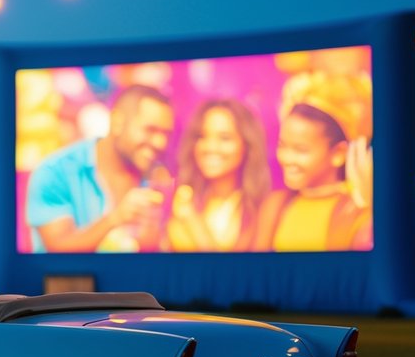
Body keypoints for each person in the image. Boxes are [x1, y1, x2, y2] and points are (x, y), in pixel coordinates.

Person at [25, 84, 174, 252]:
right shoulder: (55, 171)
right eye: (150, 130)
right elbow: (58, 249)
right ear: (117, 122)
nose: (160, 143)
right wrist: (115, 218)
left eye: (166, 134)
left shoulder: (157, 177)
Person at [253, 82, 373, 252]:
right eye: (282, 146)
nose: (287, 158)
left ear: (338, 153)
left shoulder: (355, 211)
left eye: (300, 150)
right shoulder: (275, 205)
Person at [167, 99, 271, 251]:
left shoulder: (260, 209)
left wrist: (192, 220)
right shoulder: (182, 194)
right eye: (202, 136)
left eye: (224, 138)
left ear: (247, 145)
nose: (211, 147)